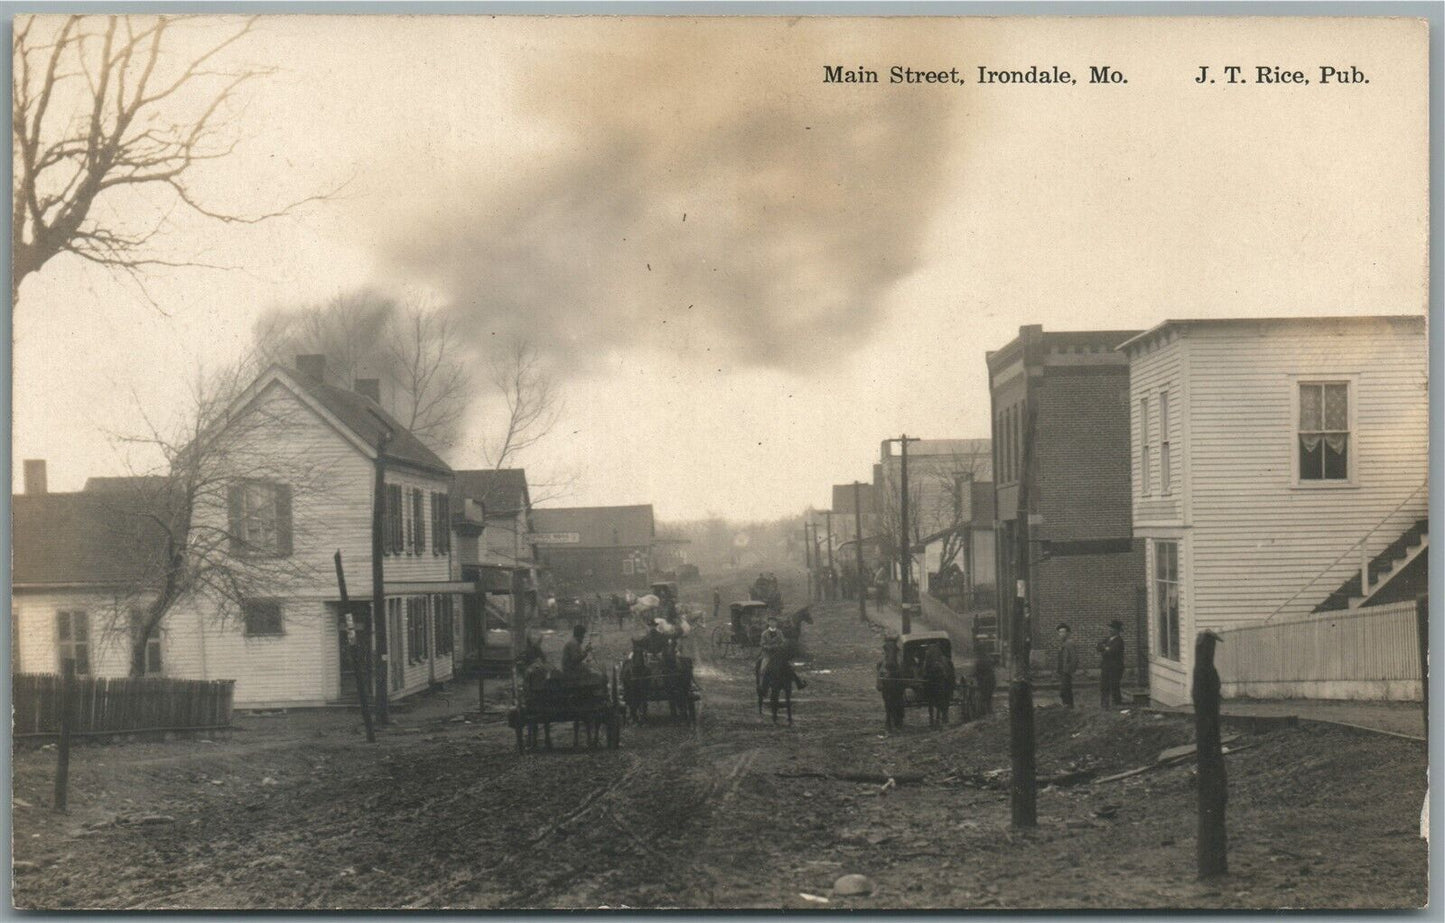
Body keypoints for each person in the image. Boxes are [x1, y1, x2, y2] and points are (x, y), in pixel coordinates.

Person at [759, 615, 806, 690]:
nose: (772, 623)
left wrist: (780, 646)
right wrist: (770, 647)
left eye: (774, 622)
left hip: (778, 654)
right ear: (768, 623)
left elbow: (783, 642)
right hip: (768, 654)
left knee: (789, 667)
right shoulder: (764, 633)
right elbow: (762, 644)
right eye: (771, 622)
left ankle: (799, 683)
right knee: (763, 669)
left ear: (776, 623)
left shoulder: (779, 632)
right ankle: (762, 687)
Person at [1097, 618, 1126, 707]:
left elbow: (1112, 652)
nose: (1110, 630)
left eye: (1112, 628)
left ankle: (1117, 703)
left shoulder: (1119, 641)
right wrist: (1106, 648)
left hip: (1115, 667)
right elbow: (1098, 647)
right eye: (1110, 628)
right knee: (1104, 685)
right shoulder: (1107, 639)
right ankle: (1104, 704)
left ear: (1117, 630)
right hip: (1106, 666)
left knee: (1114, 685)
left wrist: (1105, 649)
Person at [1055, 623, 1078, 708]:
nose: (1061, 634)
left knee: (1064, 690)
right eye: (1060, 632)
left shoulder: (1069, 643)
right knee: (1066, 690)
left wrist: (1070, 670)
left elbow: (1074, 658)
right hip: (1062, 671)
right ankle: (1068, 706)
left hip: (1066, 671)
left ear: (1068, 633)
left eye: (1063, 632)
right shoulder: (1062, 644)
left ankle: (1068, 706)